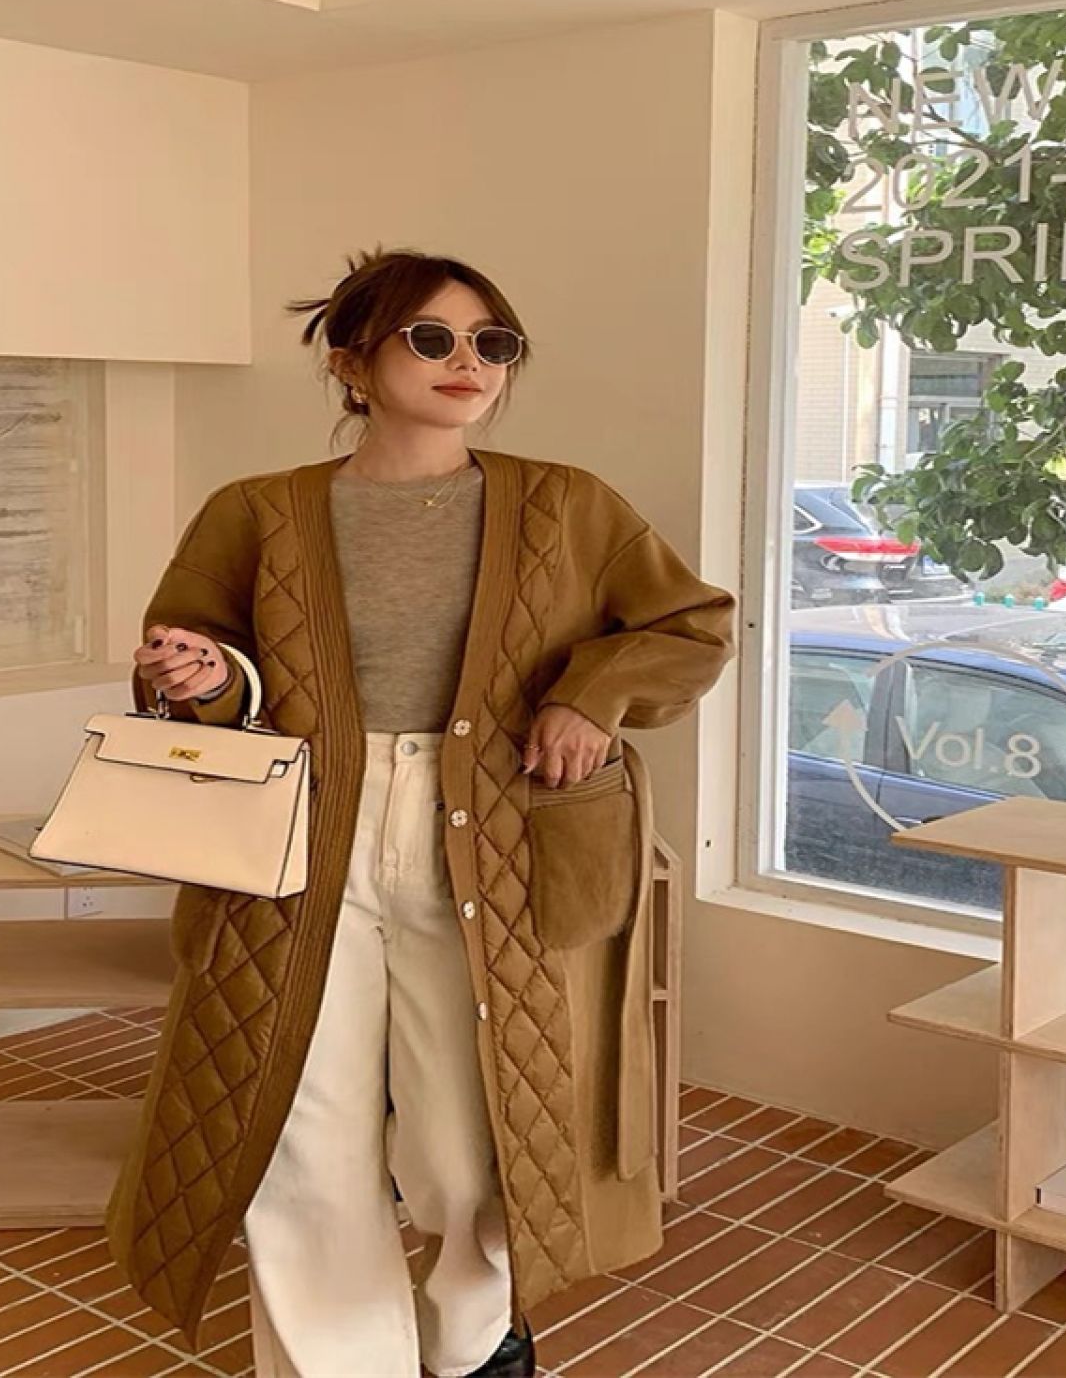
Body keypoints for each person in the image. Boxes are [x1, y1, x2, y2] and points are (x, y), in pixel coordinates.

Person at [109, 245, 737, 1377]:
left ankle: (473, 1340)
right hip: (305, 833)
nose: (471, 362)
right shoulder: (257, 512)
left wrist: (590, 695)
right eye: (434, 338)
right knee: (298, 1130)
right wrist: (202, 677)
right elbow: (204, 673)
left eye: (494, 343)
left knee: (471, 1142)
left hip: (496, 832)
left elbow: (688, 627)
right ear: (353, 362)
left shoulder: (564, 503)